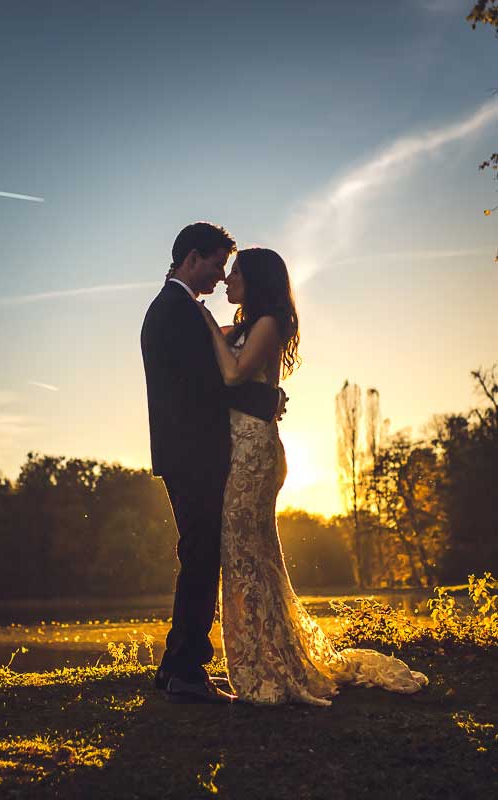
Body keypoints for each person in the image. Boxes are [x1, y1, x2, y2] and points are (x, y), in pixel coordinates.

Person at [196, 247, 428, 705]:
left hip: (255, 452)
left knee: (247, 553)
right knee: (247, 553)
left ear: (257, 280)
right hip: (238, 448)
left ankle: (267, 667)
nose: (227, 279)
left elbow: (233, 373)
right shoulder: (241, 327)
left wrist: (205, 322)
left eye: (236, 272)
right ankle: (264, 658)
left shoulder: (268, 324)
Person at [141, 223, 284, 704]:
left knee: (199, 553)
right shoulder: (176, 311)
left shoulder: (177, 308)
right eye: (217, 264)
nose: (222, 275)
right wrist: (267, 401)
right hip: (193, 452)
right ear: (191, 258)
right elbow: (209, 386)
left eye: (228, 267)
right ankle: (185, 671)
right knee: (201, 556)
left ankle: (176, 666)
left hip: (189, 451)